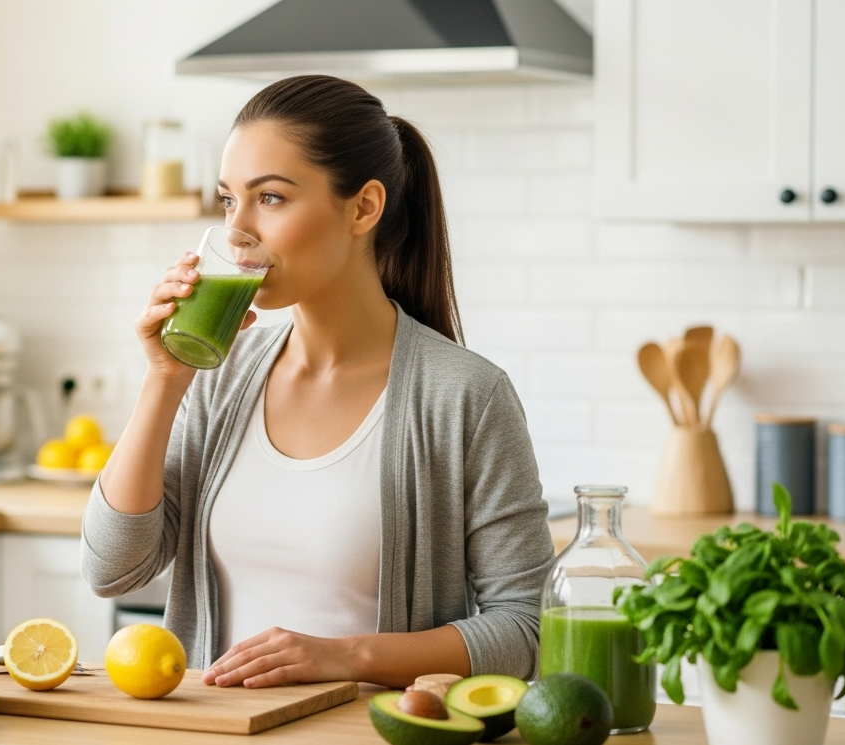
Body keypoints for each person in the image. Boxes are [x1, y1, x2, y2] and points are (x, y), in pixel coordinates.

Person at [81, 74, 553, 689]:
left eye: (270, 198)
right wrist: (165, 380)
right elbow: (111, 570)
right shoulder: (219, 377)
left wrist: (348, 656)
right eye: (229, 200)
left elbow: (528, 629)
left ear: (364, 208)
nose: (236, 231)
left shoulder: (465, 396)